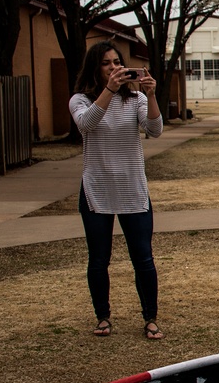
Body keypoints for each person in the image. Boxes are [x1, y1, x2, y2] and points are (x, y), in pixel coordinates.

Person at [69, 41, 164, 340]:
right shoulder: (80, 100)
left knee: (143, 257)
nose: (114, 67)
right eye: (106, 63)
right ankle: (103, 317)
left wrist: (151, 95)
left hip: (132, 188)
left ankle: (150, 318)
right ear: (95, 68)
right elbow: (87, 125)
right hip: (96, 189)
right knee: (99, 259)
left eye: (117, 62)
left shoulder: (135, 98)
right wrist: (108, 91)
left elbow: (155, 130)